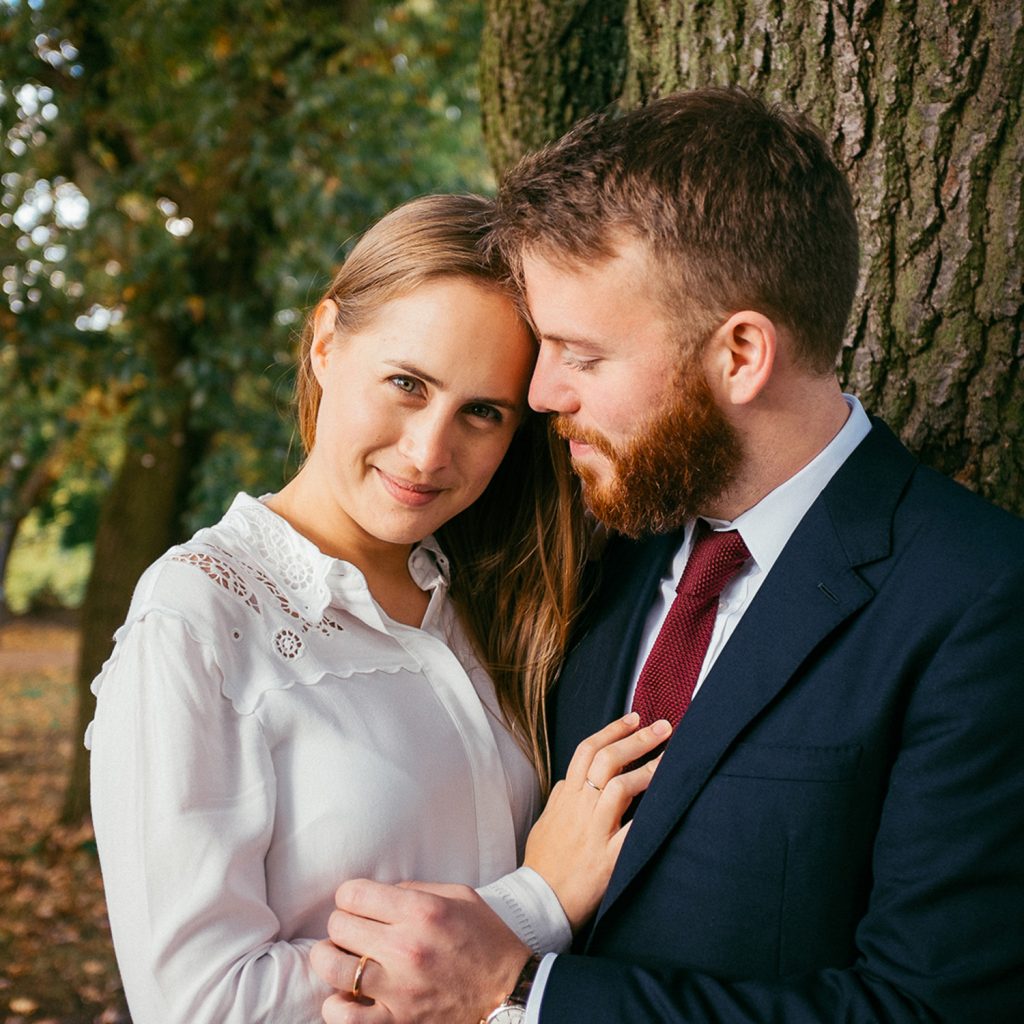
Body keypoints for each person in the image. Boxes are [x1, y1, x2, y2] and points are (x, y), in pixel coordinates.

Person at [309, 89, 1024, 1023]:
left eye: (581, 353)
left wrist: (518, 992)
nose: (540, 391)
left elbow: (932, 1011)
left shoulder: (977, 599)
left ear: (739, 355)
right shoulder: (597, 547)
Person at [86, 193, 669, 1024]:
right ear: (327, 343)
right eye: (406, 383)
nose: (429, 452)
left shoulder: (479, 603)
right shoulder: (196, 619)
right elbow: (198, 1004)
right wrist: (534, 903)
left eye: (482, 412)